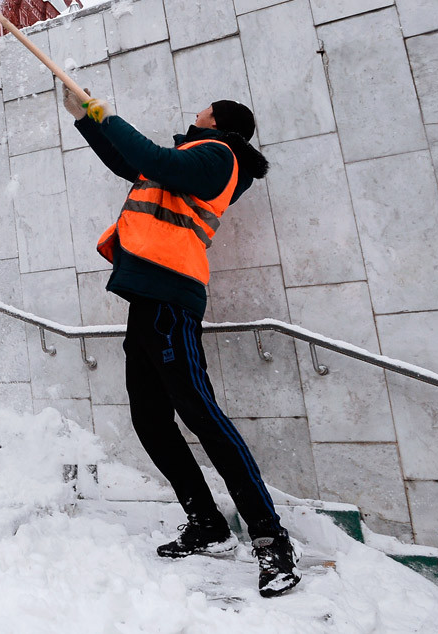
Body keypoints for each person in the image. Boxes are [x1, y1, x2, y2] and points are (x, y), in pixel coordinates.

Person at [62, 88, 299, 598]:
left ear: (219, 122)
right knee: (150, 420)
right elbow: (133, 165)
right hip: (148, 298)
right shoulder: (185, 163)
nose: (196, 112)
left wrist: (108, 112)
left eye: (203, 109)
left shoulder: (218, 157)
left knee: (202, 416)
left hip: (171, 298)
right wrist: (86, 120)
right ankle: (206, 522)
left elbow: (149, 158)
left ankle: (270, 538)